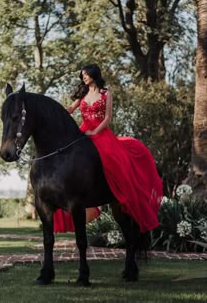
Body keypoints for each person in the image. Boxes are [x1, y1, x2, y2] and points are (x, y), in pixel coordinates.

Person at [54, 63, 163, 233]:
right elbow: (71, 109)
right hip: (83, 131)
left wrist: (95, 131)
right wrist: (56, 111)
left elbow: (107, 118)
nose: (83, 77)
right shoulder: (82, 93)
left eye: (86, 74)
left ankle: (120, 193)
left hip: (100, 132)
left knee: (110, 157)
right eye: (82, 75)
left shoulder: (106, 93)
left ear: (93, 74)